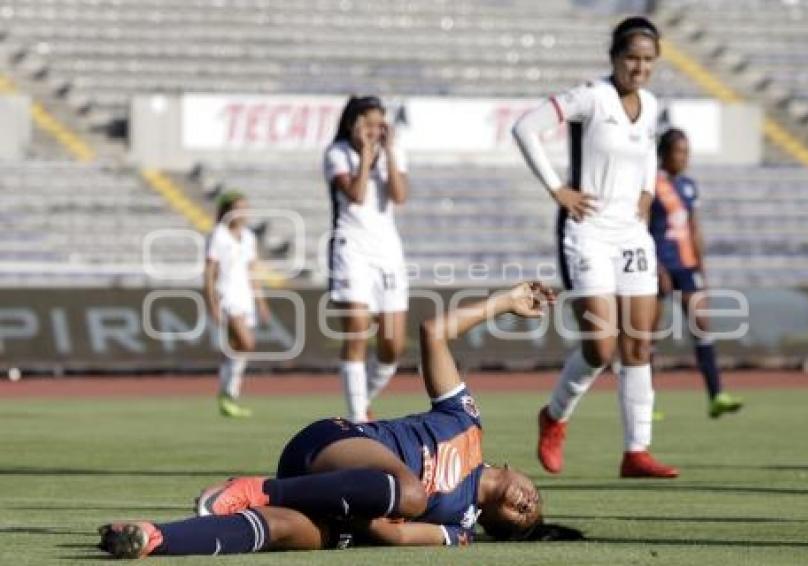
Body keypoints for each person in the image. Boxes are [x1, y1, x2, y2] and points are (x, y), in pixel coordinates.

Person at [97, 282, 584, 558]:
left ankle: (148, 537)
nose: (525, 503)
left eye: (522, 517)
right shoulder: (466, 421)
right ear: (521, 472)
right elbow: (433, 332)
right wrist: (503, 303)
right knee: (410, 492)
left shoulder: (458, 527)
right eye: (534, 498)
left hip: (344, 515)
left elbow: (391, 534)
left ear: (496, 526)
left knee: (281, 533)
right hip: (329, 444)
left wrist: (358, 519)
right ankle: (262, 488)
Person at [512, 17, 678, 478]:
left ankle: (636, 451)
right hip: (587, 230)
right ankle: (554, 417)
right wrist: (556, 189)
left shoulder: (650, 102)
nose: (640, 68)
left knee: (640, 343)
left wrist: (647, 190)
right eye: (632, 58)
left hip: (631, 233)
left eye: (648, 60)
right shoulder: (592, 96)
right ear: (614, 58)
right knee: (601, 347)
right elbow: (525, 128)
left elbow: (647, 151)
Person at [324, 95, 409, 423]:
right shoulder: (338, 154)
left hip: (387, 252)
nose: (376, 130)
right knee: (358, 329)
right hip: (351, 248)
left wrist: (387, 152)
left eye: (380, 124)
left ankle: (364, 399)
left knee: (392, 346)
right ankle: (357, 418)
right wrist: (364, 155)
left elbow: (399, 196)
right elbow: (356, 195)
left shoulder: (393, 152)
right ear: (353, 124)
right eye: (369, 124)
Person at [649, 128, 743, 418]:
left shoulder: (689, 186)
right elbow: (641, 227)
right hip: (658, 266)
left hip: (687, 265)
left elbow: (694, 228)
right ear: (664, 154)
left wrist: (702, 268)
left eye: (687, 152)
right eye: (679, 152)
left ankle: (716, 395)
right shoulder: (650, 185)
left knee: (702, 324)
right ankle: (646, 405)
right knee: (648, 334)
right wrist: (656, 266)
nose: (684, 158)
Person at [203, 191, 271, 418]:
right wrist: (211, 302)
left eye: (245, 207)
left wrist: (260, 301)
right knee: (246, 342)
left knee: (237, 347)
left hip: (245, 297)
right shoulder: (218, 235)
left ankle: (229, 395)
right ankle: (227, 393)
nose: (243, 212)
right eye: (238, 207)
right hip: (226, 295)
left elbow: (252, 271)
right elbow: (210, 272)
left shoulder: (249, 237)